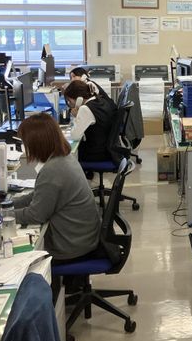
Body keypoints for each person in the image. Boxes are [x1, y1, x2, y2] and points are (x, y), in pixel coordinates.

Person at [12, 113, 101, 263]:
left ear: (37, 144)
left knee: (18, 258)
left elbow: (36, 215)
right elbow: (38, 195)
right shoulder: (64, 157)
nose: (26, 149)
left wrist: (3, 216)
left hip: (71, 247)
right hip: (82, 238)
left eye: (26, 144)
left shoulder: (52, 170)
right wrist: (8, 205)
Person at [64, 80, 117, 162]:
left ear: (78, 99)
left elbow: (74, 136)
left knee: (65, 156)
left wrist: (76, 116)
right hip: (106, 150)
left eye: (69, 101)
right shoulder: (100, 100)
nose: (70, 104)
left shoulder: (85, 109)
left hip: (95, 153)